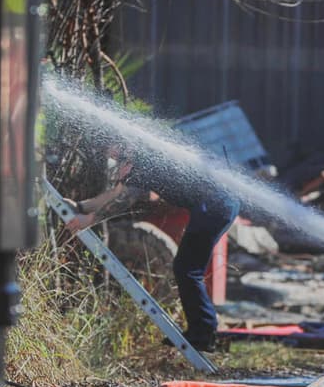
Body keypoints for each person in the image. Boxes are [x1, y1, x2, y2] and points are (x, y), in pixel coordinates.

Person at [66, 144, 241, 352]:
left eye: (111, 150)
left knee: (186, 269)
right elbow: (116, 194)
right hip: (218, 205)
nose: (110, 155)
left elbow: (125, 199)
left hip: (214, 207)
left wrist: (90, 219)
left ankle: (203, 333)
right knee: (187, 268)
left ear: (122, 146)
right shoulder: (141, 159)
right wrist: (81, 207)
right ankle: (203, 330)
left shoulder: (142, 162)